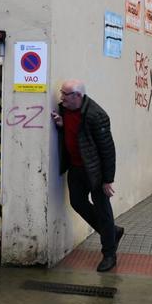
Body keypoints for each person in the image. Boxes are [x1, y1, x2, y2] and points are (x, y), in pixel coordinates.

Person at [51, 79, 124, 272]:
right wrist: (61, 124)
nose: (61, 97)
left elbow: (108, 150)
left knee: (103, 210)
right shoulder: (65, 109)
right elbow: (75, 133)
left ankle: (109, 255)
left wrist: (108, 180)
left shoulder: (96, 115)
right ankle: (112, 233)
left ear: (78, 96)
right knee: (77, 202)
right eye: (61, 93)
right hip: (76, 168)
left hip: (96, 171)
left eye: (65, 94)